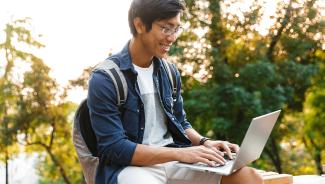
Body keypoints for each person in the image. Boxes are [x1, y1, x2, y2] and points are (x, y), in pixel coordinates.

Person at [87, 0, 263, 183]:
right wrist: (181, 153)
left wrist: (205, 143)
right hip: (131, 169)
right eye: (165, 28)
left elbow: (180, 122)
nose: (172, 37)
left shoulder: (169, 72)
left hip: (176, 162)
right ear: (139, 25)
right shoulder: (106, 78)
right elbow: (114, 148)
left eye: (176, 29)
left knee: (248, 178)